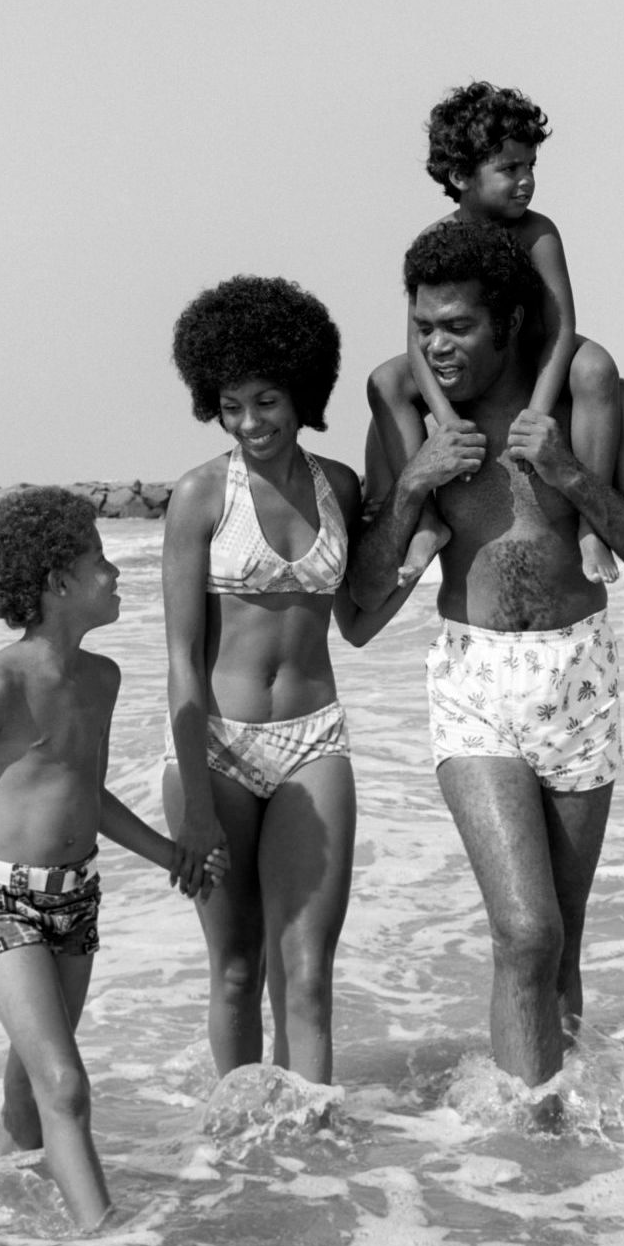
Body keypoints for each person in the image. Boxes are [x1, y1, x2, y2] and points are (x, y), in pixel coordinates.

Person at [352, 221, 624, 1101]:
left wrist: (573, 477)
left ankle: (555, 1158)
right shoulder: (418, 424)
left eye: (457, 325)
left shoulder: (594, 407)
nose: (436, 344)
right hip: (473, 680)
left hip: (579, 677)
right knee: (525, 931)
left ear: (507, 322)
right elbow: (355, 613)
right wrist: (416, 483)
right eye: (425, 325)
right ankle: (519, 1139)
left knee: (561, 942)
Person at [0, 486, 215, 1231]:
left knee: (32, 1095)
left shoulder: (101, 680)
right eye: (99, 559)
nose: (115, 569)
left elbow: (83, 793)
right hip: (0, 901)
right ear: (58, 583)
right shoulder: (0, 685)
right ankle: (109, 1245)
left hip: (75, 900)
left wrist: (170, 854)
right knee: (64, 1082)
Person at [162, 275, 409, 1089]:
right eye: (229, 405)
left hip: (315, 740)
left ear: (301, 391)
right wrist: (195, 804)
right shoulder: (201, 497)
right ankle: (239, 1145)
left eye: (266, 401)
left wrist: (418, 556)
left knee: (305, 974)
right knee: (235, 967)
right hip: (218, 748)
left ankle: (314, 1140)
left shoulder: (339, 488)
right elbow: (179, 658)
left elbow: (357, 625)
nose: (248, 423)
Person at [365, 81, 624, 589]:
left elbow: (561, 326)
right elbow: (420, 345)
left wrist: (539, 413)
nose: (525, 181)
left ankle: (593, 525)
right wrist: (445, 422)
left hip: (532, 350)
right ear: (461, 175)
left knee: (597, 368)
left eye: (530, 166)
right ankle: (426, 521)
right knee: (385, 381)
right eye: (509, 169)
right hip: (472, 357)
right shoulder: (435, 243)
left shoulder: (538, 233)